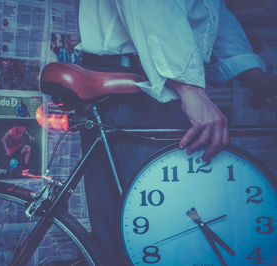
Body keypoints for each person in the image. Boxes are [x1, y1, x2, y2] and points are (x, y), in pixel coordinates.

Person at [77, 0, 276, 265]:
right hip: (140, 84)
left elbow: (209, 9)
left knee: (177, 225)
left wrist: (255, 75)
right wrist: (190, 89)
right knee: (142, 234)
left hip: (171, 79)